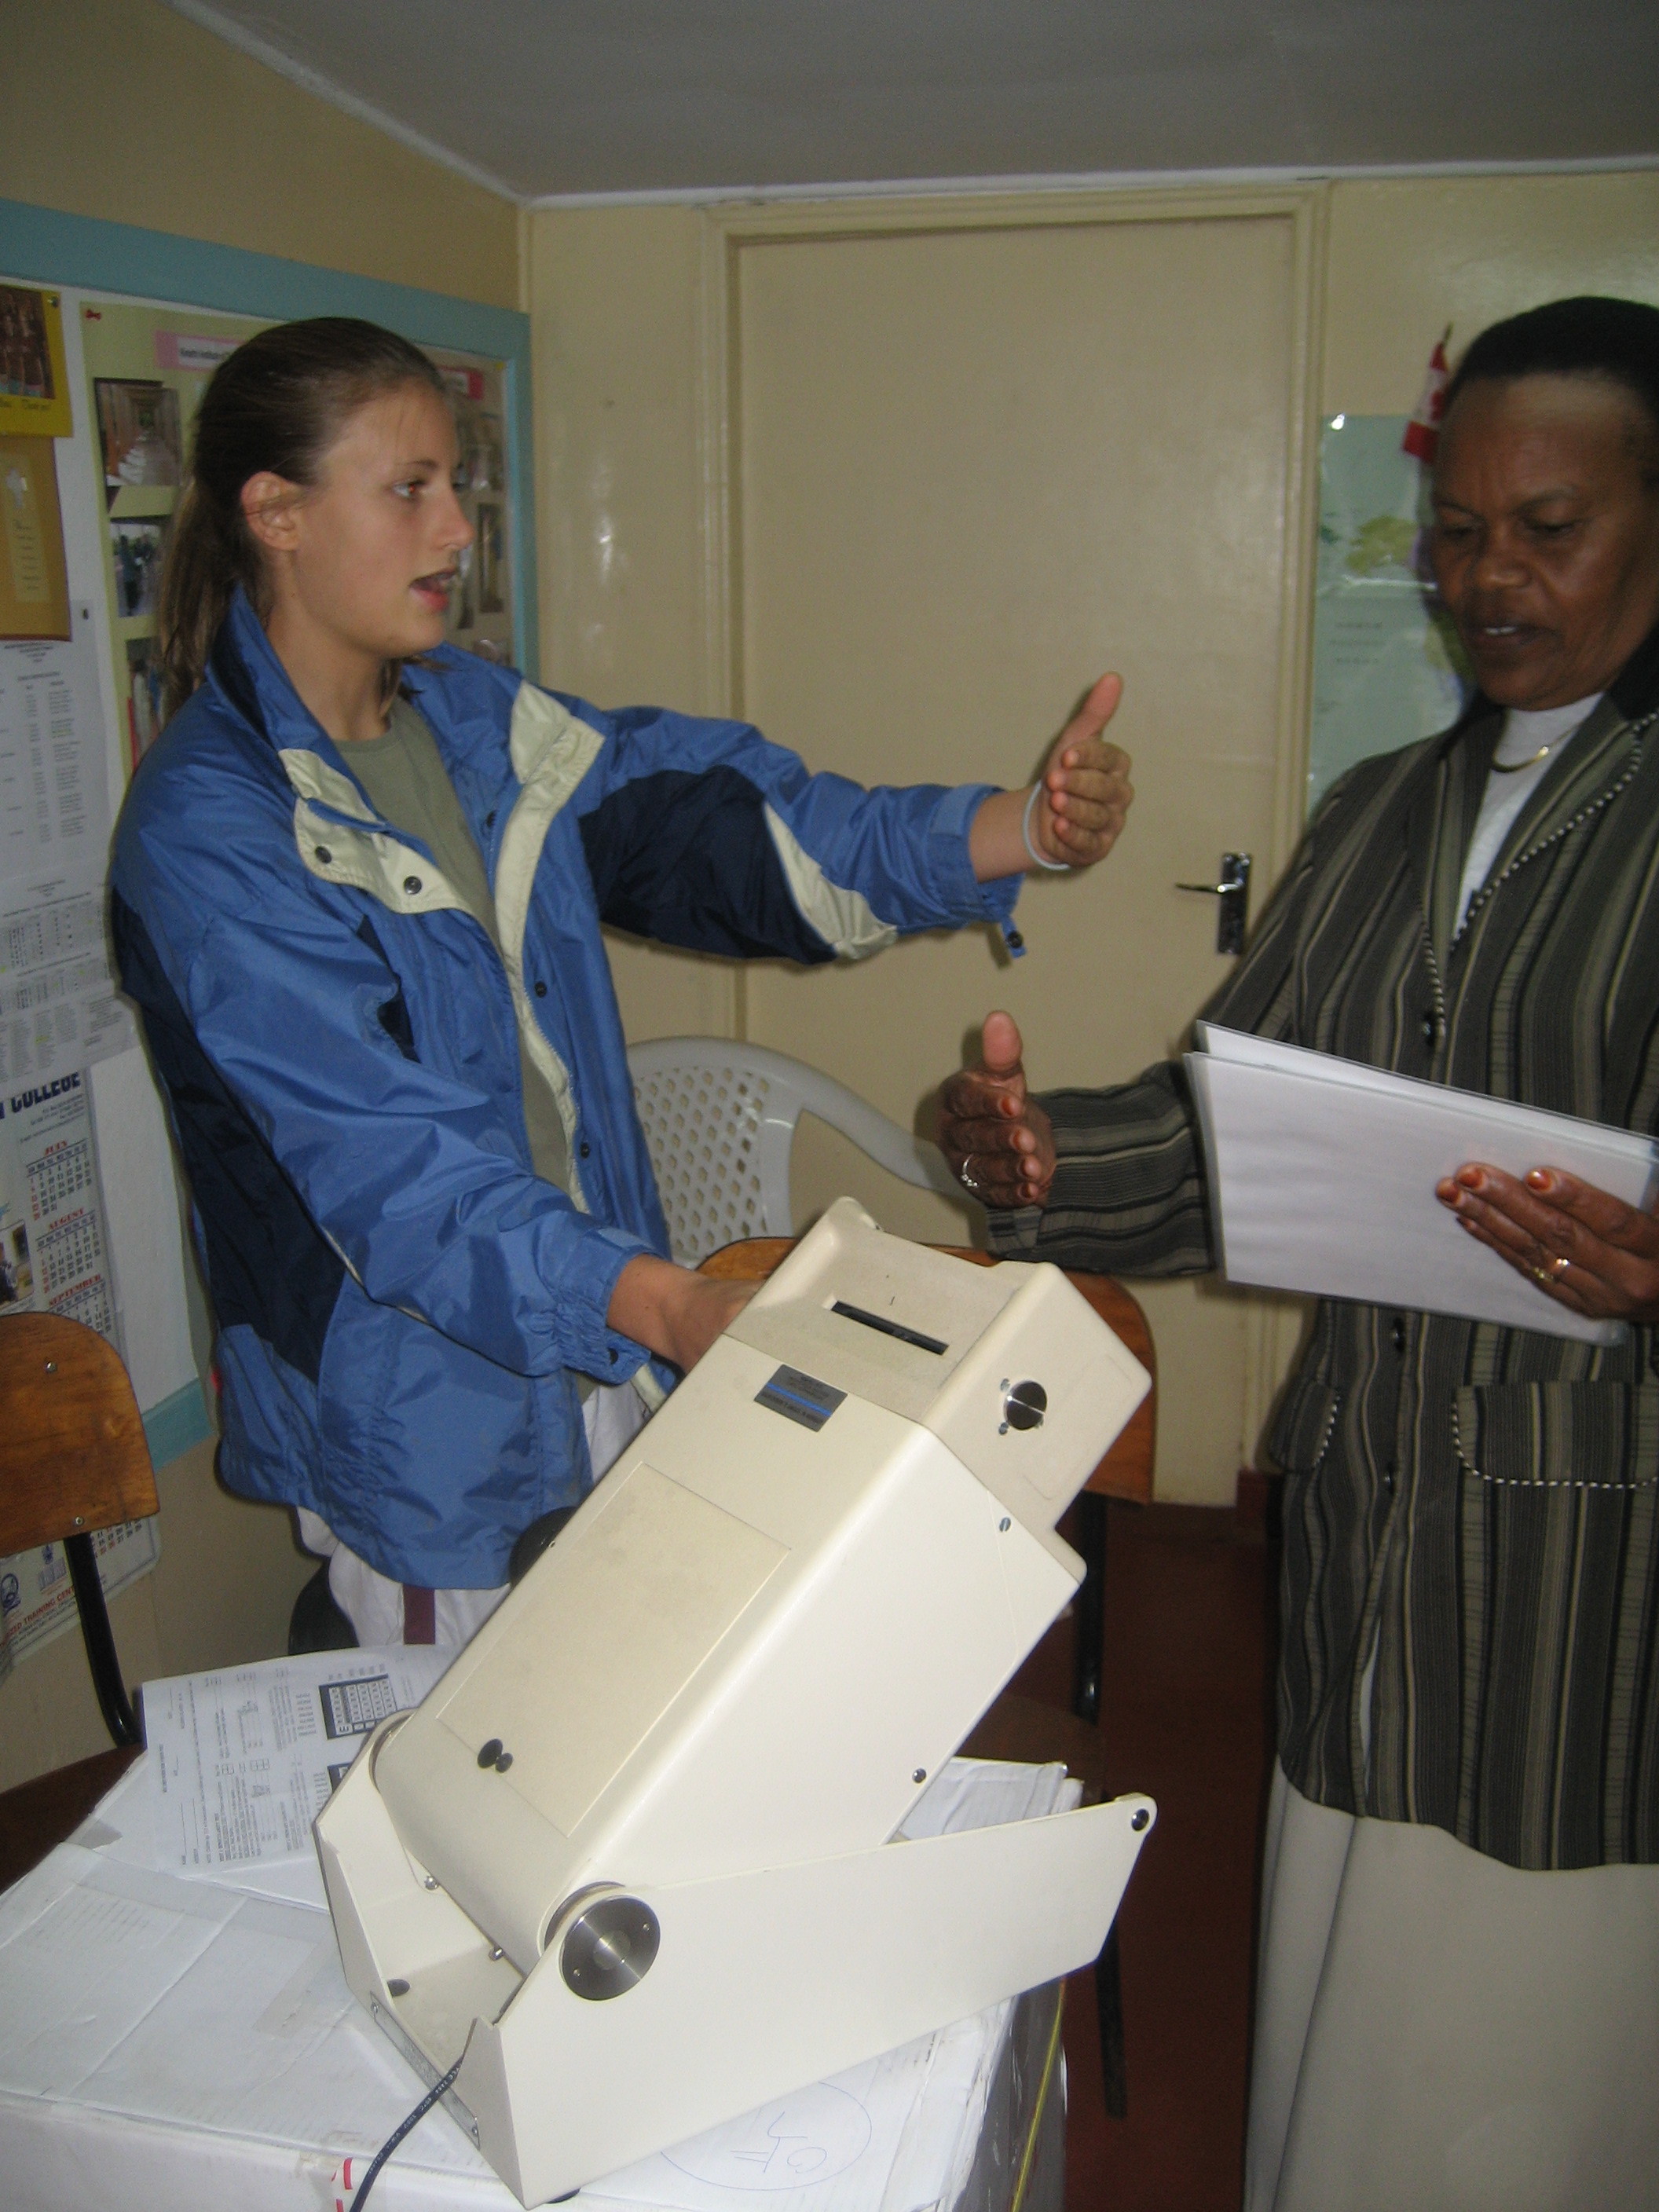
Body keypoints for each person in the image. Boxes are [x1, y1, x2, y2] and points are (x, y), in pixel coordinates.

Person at [936, 296, 1659, 2212]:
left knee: (1529, 2056)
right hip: (1366, 1531)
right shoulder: (1379, 816)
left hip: (1592, 1583)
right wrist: (1028, 1156)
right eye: (1459, 533)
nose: (1485, 578)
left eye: (1552, 528)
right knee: (1341, 2031)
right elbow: (1225, 1137)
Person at [109, 316, 1134, 1653]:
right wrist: (669, 1302)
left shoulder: (478, 726)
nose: (457, 530)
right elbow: (392, 1175)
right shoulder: (211, 828)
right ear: (278, 513)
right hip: (425, 1406)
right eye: (409, 489)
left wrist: (1021, 830)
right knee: (484, 1795)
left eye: (458, 488)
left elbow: (735, 827)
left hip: (602, 1327)